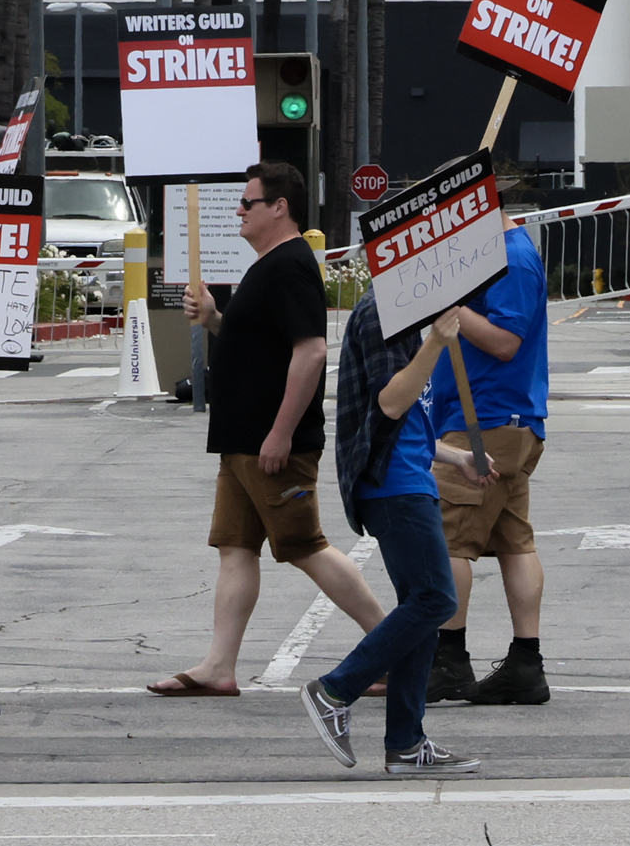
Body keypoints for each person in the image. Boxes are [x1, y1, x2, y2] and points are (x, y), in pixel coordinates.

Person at [148, 160, 384, 699]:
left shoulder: (290, 265)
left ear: (279, 207)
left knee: (305, 546)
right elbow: (261, 348)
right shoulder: (268, 266)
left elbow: (312, 350)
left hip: (271, 444)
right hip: (241, 441)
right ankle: (219, 666)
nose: (239, 211)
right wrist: (213, 319)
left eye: (248, 202)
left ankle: (394, 647)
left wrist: (280, 433)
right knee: (235, 546)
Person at [295, 291, 480, 777]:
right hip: (394, 487)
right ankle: (335, 689)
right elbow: (391, 399)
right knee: (436, 600)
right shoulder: (384, 310)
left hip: (408, 478)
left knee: (419, 609)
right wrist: (437, 343)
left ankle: (405, 742)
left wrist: (454, 456)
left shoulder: (404, 314)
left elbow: (400, 422)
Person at [424, 210, 555, 705]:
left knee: (448, 540)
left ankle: (448, 660)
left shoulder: (512, 258)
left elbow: (505, 342)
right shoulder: (485, 255)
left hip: (487, 422)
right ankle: (525, 663)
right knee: (513, 540)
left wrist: (452, 306)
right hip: (494, 419)